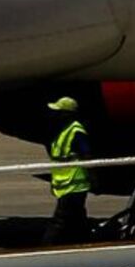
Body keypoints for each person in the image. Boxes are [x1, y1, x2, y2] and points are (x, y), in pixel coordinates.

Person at [40, 96, 93, 245]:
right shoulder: (61, 131)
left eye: (58, 112)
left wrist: (93, 177)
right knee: (77, 219)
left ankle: (46, 249)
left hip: (74, 184)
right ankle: (85, 243)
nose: (53, 115)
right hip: (65, 185)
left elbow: (87, 157)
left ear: (67, 114)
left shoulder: (76, 131)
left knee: (60, 220)